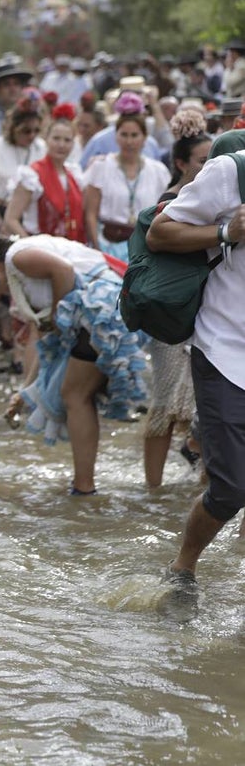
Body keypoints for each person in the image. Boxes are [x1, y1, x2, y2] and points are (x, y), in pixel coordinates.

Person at [147, 129, 245, 617]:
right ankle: (183, 567)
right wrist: (226, 233)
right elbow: (159, 233)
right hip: (225, 349)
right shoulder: (232, 172)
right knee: (231, 486)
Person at [0, 235, 146, 495]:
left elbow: (63, 271)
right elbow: (45, 342)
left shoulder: (17, 256)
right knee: (77, 395)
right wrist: (25, 390)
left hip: (103, 310)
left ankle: (83, 486)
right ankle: (83, 483)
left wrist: (56, 316)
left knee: (75, 395)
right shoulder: (25, 271)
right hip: (103, 312)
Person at [142, 109, 211, 488]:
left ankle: (204, 484)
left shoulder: (213, 200)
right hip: (173, 316)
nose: (209, 167)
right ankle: (152, 489)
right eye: (203, 161)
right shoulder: (170, 205)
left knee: (204, 405)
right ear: (181, 163)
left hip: (205, 314)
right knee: (166, 402)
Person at [82, 92, 171, 261]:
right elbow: (90, 214)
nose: (129, 142)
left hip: (145, 249)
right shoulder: (101, 167)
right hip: (108, 245)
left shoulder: (158, 171)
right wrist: (98, 249)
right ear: (116, 136)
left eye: (134, 135)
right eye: (124, 135)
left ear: (144, 138)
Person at [2, 103, 86, 240]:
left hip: (70, 246)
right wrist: (32, 245)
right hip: (40, 247)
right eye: (56, 138)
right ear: (46, 139)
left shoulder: (74, 175)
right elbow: (11, 219)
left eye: (67, 140)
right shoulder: (32, 175)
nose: (61, 145)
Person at [0, 88, 47, 234]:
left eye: (36, 130)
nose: (32, 135)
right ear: (13, 128)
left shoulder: (40, 148)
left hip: (29, 219)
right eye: (26, 131)